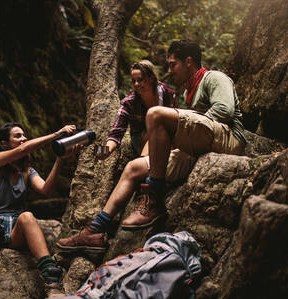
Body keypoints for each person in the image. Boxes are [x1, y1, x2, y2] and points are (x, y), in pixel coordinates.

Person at [56, 39, 246, 253]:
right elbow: (117, 132)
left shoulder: (214, 77)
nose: (170, 70)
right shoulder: (185, 93)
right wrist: (103, 151)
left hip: (228, 138)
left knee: (155, 114)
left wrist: (179, 129)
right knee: (133, 168)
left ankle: (153, 197)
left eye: (173, 64)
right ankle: (94, 231)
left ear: (189, 62)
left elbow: (225, 109)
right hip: (198, 147)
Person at [0, 122, 78, 299]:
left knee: (27, 216)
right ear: (5, 144)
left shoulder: (27, 172)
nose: (24, 139)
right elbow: (25, 149)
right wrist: (56, 134)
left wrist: (60, 160)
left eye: (24, 135)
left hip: (13, 232)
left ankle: (52, 281)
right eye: (18, 136)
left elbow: (46, 190)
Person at [98, 59, 175, 159]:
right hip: (140, 139)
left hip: (165, 134)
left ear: (151, 78)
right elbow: (116, 131)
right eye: (133, 81)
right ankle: (143, 164)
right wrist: (102, 152)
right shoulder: (129, 102)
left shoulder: (166, 94)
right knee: (152, 133)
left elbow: (174, 121)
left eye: (140, 80)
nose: (136, 84)